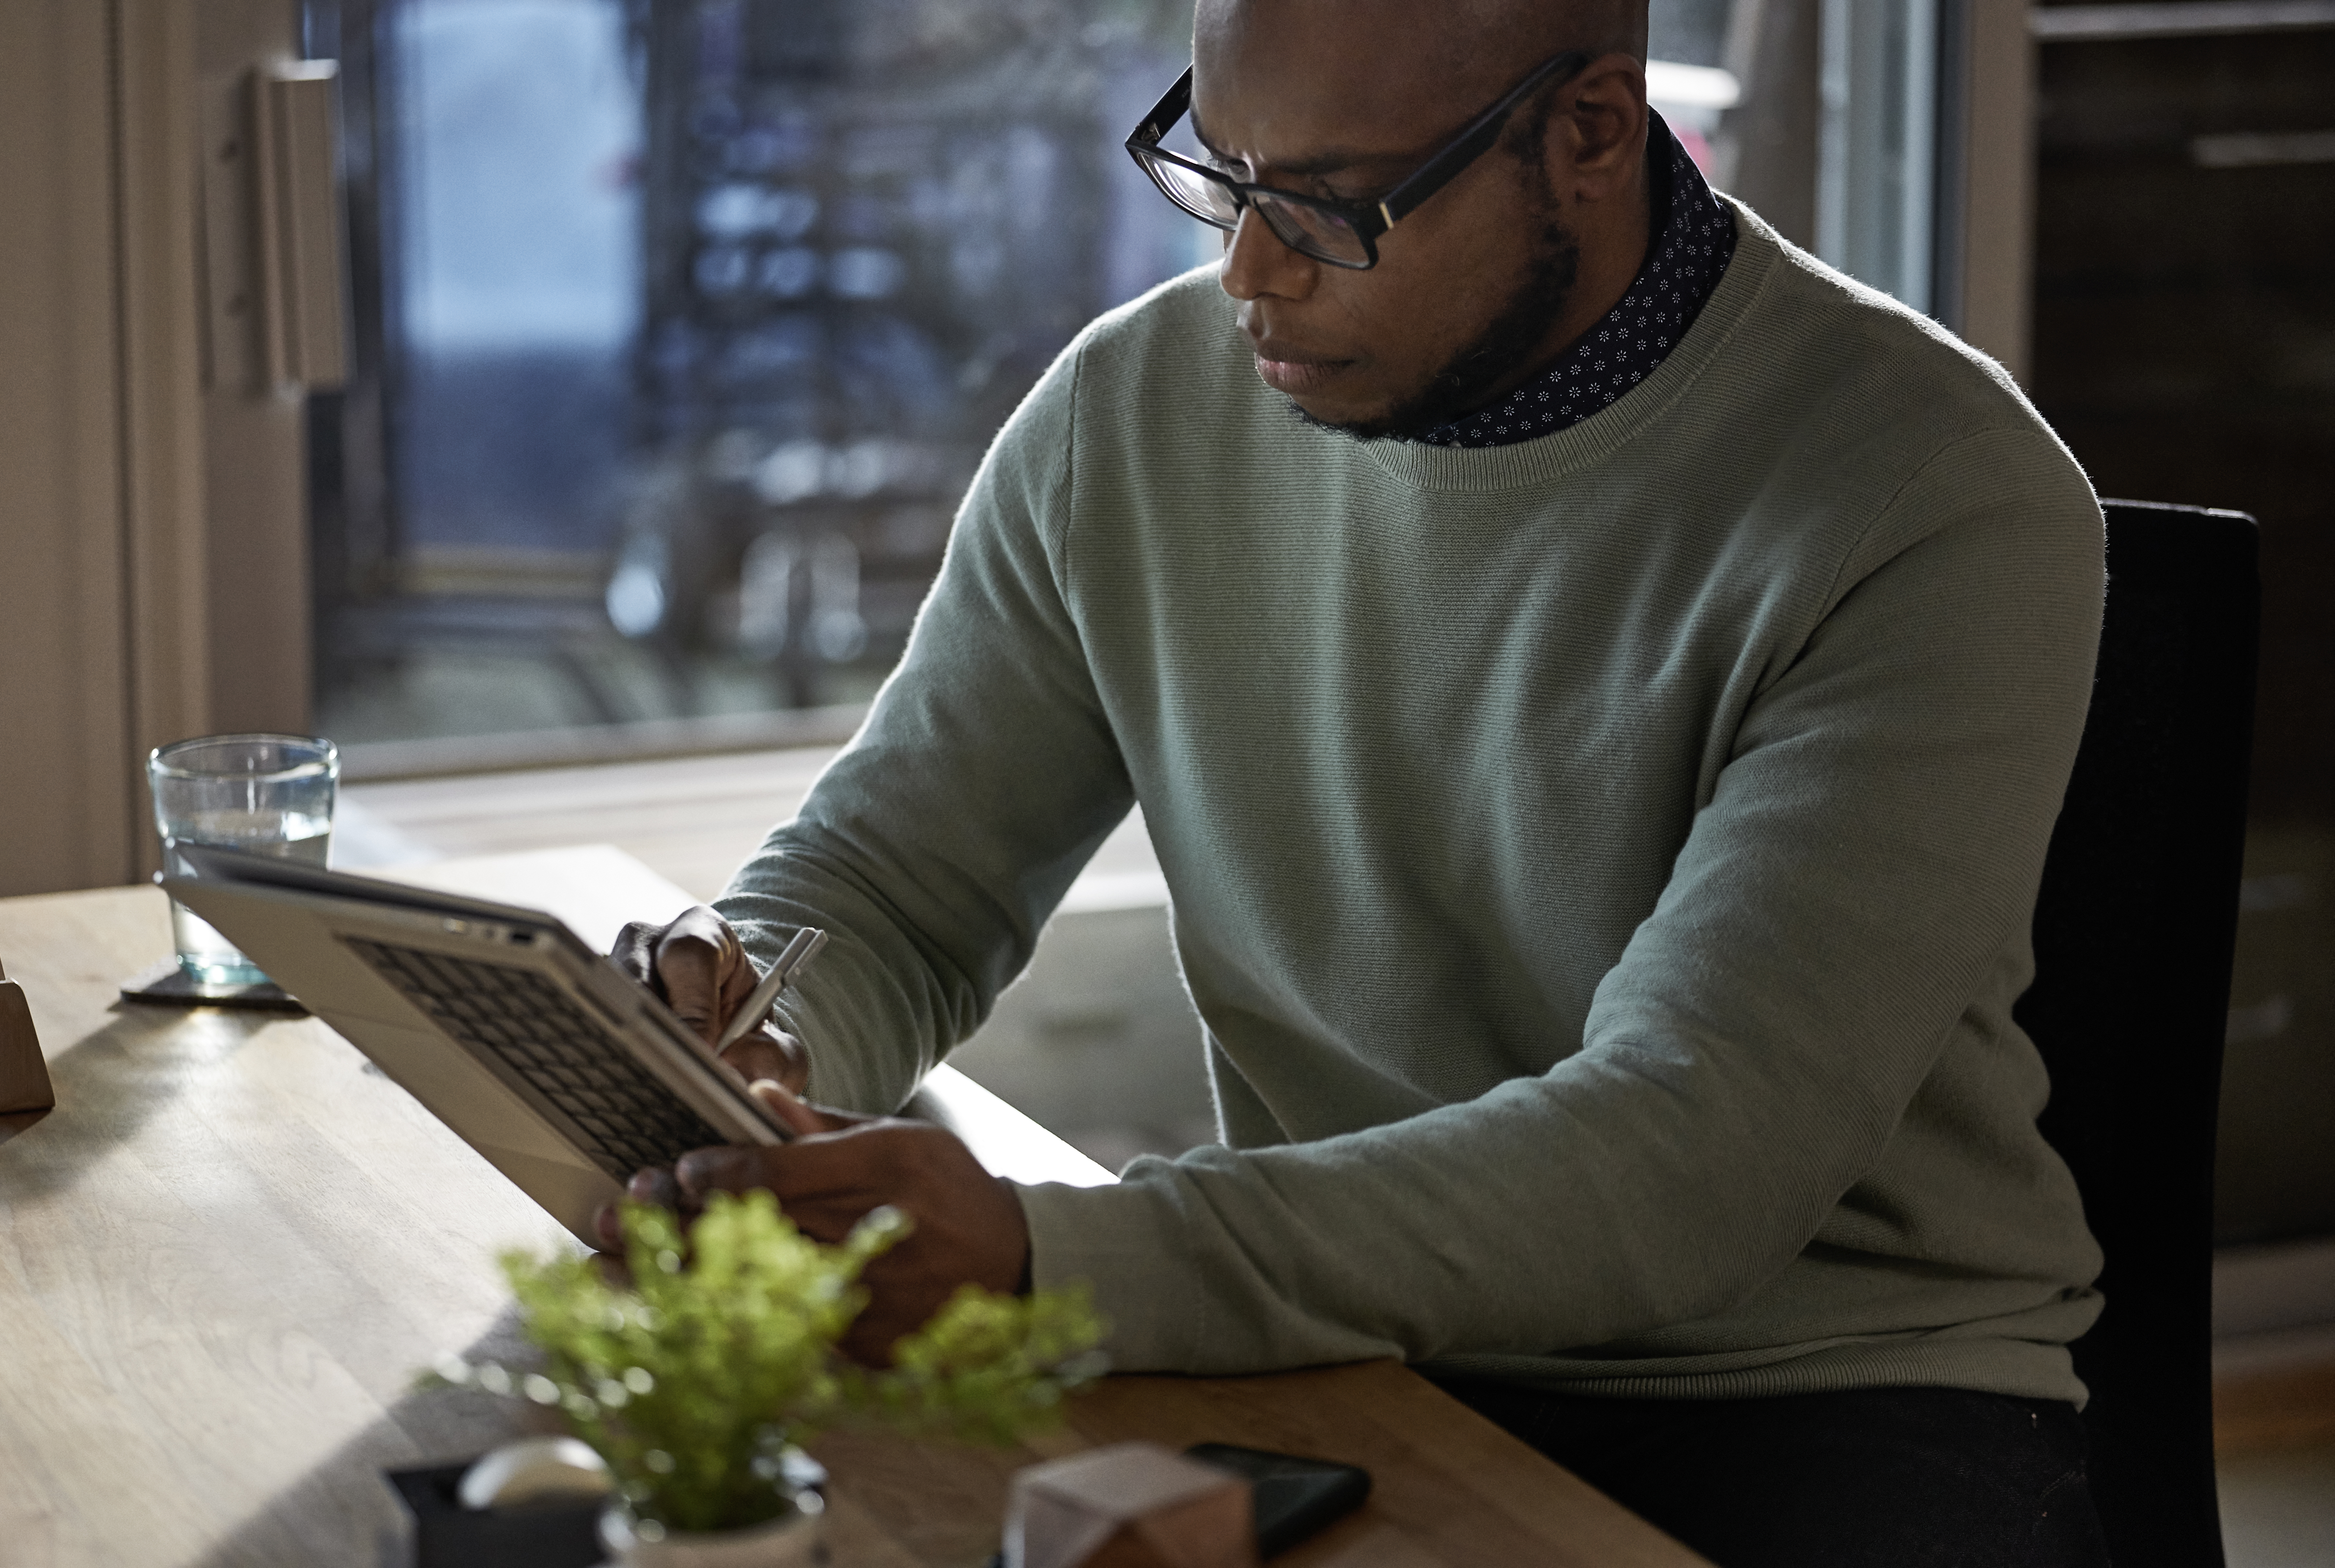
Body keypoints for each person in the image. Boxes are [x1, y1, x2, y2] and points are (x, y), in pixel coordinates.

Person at [604, 1, 2114, 1560]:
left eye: (1330, 204)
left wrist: (1054, 1257)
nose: (1250, 271)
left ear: (1590, 134)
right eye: (1225, 172)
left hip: (1811, 1396)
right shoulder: (1133, 413)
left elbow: (1691, 1158)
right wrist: (755, 1021)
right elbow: (892, 890)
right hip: (1347, 1346)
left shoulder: (1934, 499)